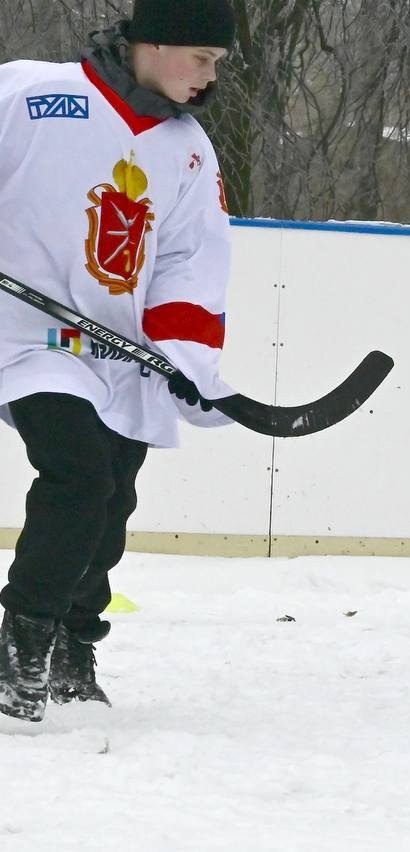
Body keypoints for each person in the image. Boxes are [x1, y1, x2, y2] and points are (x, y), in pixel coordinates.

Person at [0, 0, 237, 721]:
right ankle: (21, 644)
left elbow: (189, 260)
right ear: (155, 43)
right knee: (78, 475)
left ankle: (74, 641)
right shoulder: (31, 95)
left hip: (120, 351)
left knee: (111, 502)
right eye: (202, 58)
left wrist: (182, 356)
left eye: (218, 64)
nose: (209, 77)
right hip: (24, 337)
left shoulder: (189, 148)